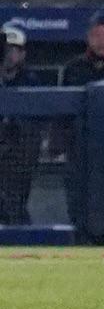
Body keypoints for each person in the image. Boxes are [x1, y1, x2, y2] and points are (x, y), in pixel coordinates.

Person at [0, 23, 43, 225]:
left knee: (14, 203)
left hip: (18, 155)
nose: (9, 55)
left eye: (14, 50)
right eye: (6, 49)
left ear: (23, 53)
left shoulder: (31, 80)